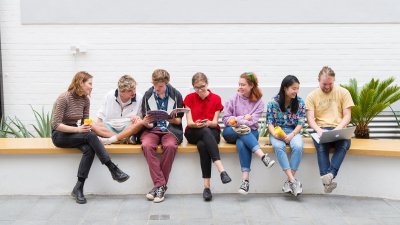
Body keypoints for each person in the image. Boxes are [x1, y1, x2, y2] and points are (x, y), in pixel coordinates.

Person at [51, 71, 130, 204]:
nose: (92, 87)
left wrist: (87, 128)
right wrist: (78, 129)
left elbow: (84, 123)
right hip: (60, 135)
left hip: (75, 134)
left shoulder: (85, 100)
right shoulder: (63, 98)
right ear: (80, 82)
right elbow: (56, 124)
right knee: (91, 137)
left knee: (89, 149)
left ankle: (79, 187)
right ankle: (112, 168)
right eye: (90, 83)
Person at [222, 72, 275, 195]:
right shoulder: (233, 99)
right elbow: (226, 119)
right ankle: (263, 156)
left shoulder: (259, 102)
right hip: (231, 131)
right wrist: (243, 119)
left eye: (243, 85)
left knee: (242, 143)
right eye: (239, 84)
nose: (240, 87)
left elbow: (253, 122)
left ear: (251, 86)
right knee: (241, 131)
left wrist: (237, 119)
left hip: (250, 132)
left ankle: (245, 181)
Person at [183, 72, 231, 201]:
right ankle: (221, 170)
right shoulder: (189, 98)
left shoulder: (216, 98)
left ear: (207, 84)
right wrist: (197, 124)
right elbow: (189, 123)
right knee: (204, 131)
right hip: (193, 132)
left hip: (211, 131)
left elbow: (215, 123)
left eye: (202, 86)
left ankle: (206, 187)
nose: (199, 90)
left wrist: (208, 123)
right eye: (196, 87)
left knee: (203, 145)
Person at [306, 66, 354, 193]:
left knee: (344, 144)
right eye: (324, 84)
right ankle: (329, 179)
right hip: (321, 129)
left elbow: (347, 115)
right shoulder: (312, 96)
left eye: (330, 83)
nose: (327, 86)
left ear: (334, 80)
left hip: (339, 127)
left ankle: (329, 176)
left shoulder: (343, 92)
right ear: (318, 80)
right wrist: (318, 130)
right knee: (322, 147)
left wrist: (338, 128)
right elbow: (310, 118)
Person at [138, 69, 183, 203]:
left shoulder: (176, 95)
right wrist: (146, 122)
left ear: (166, 83)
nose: (157, 88)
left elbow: (179, 121)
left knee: (170, 146)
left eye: (161, 86)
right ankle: (161, 185)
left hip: (170, 129)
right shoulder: (148, 95)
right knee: (146, 145)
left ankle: (158, 186)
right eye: (155, 85)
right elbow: (146, 120)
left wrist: (170, 119)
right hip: (152, 129)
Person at [266, 75, 305, 196]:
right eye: (293, 88)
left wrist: (292, 134)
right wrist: (275, 134)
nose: (296, 91)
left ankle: (289, 182)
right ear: (285, 88)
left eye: (297, 88)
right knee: (279, 147)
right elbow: (270, 123)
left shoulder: (300, 102)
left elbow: (301, 122)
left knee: (298, 146)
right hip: (277, 131)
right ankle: (293, 181)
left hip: (293, 131)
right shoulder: (273, 102)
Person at [92, 75, 144, 144]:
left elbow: (140, 118)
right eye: (129, 91)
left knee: (139, 123)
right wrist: (97, 128)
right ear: (121, 92)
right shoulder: (109, 95)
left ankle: (113, 139)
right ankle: (121, 139)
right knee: (91, 124)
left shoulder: (139, 97)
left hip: (128, 127)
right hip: (110, 127)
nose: (133, 92)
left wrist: (137, 118)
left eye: (134, 88)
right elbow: (100, 116)